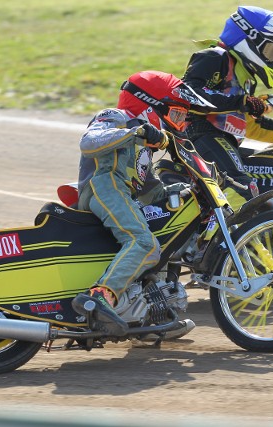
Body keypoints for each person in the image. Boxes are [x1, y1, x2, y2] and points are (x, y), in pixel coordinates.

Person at [71, 70, 212, 339]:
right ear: (150, 106)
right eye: (177, 114)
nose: (179, 122)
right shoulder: (116, 117)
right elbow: (88, 142)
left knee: (168, 231)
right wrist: (135, 130)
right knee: (144, 243)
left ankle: (148, 314)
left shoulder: (144, 150)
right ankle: (100, 297)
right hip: (104, 186)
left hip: (120, 193)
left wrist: (192, 193)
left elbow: (153, 192)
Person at [182, 5, 273, 209]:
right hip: (198, 134)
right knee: (242, 187)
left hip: (226, 140)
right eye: (271, 50)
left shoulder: (246, 77)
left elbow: (249, 125)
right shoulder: (214, 57)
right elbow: (188, 94)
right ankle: (234, 238)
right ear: (249, 38)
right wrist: (240, 102)